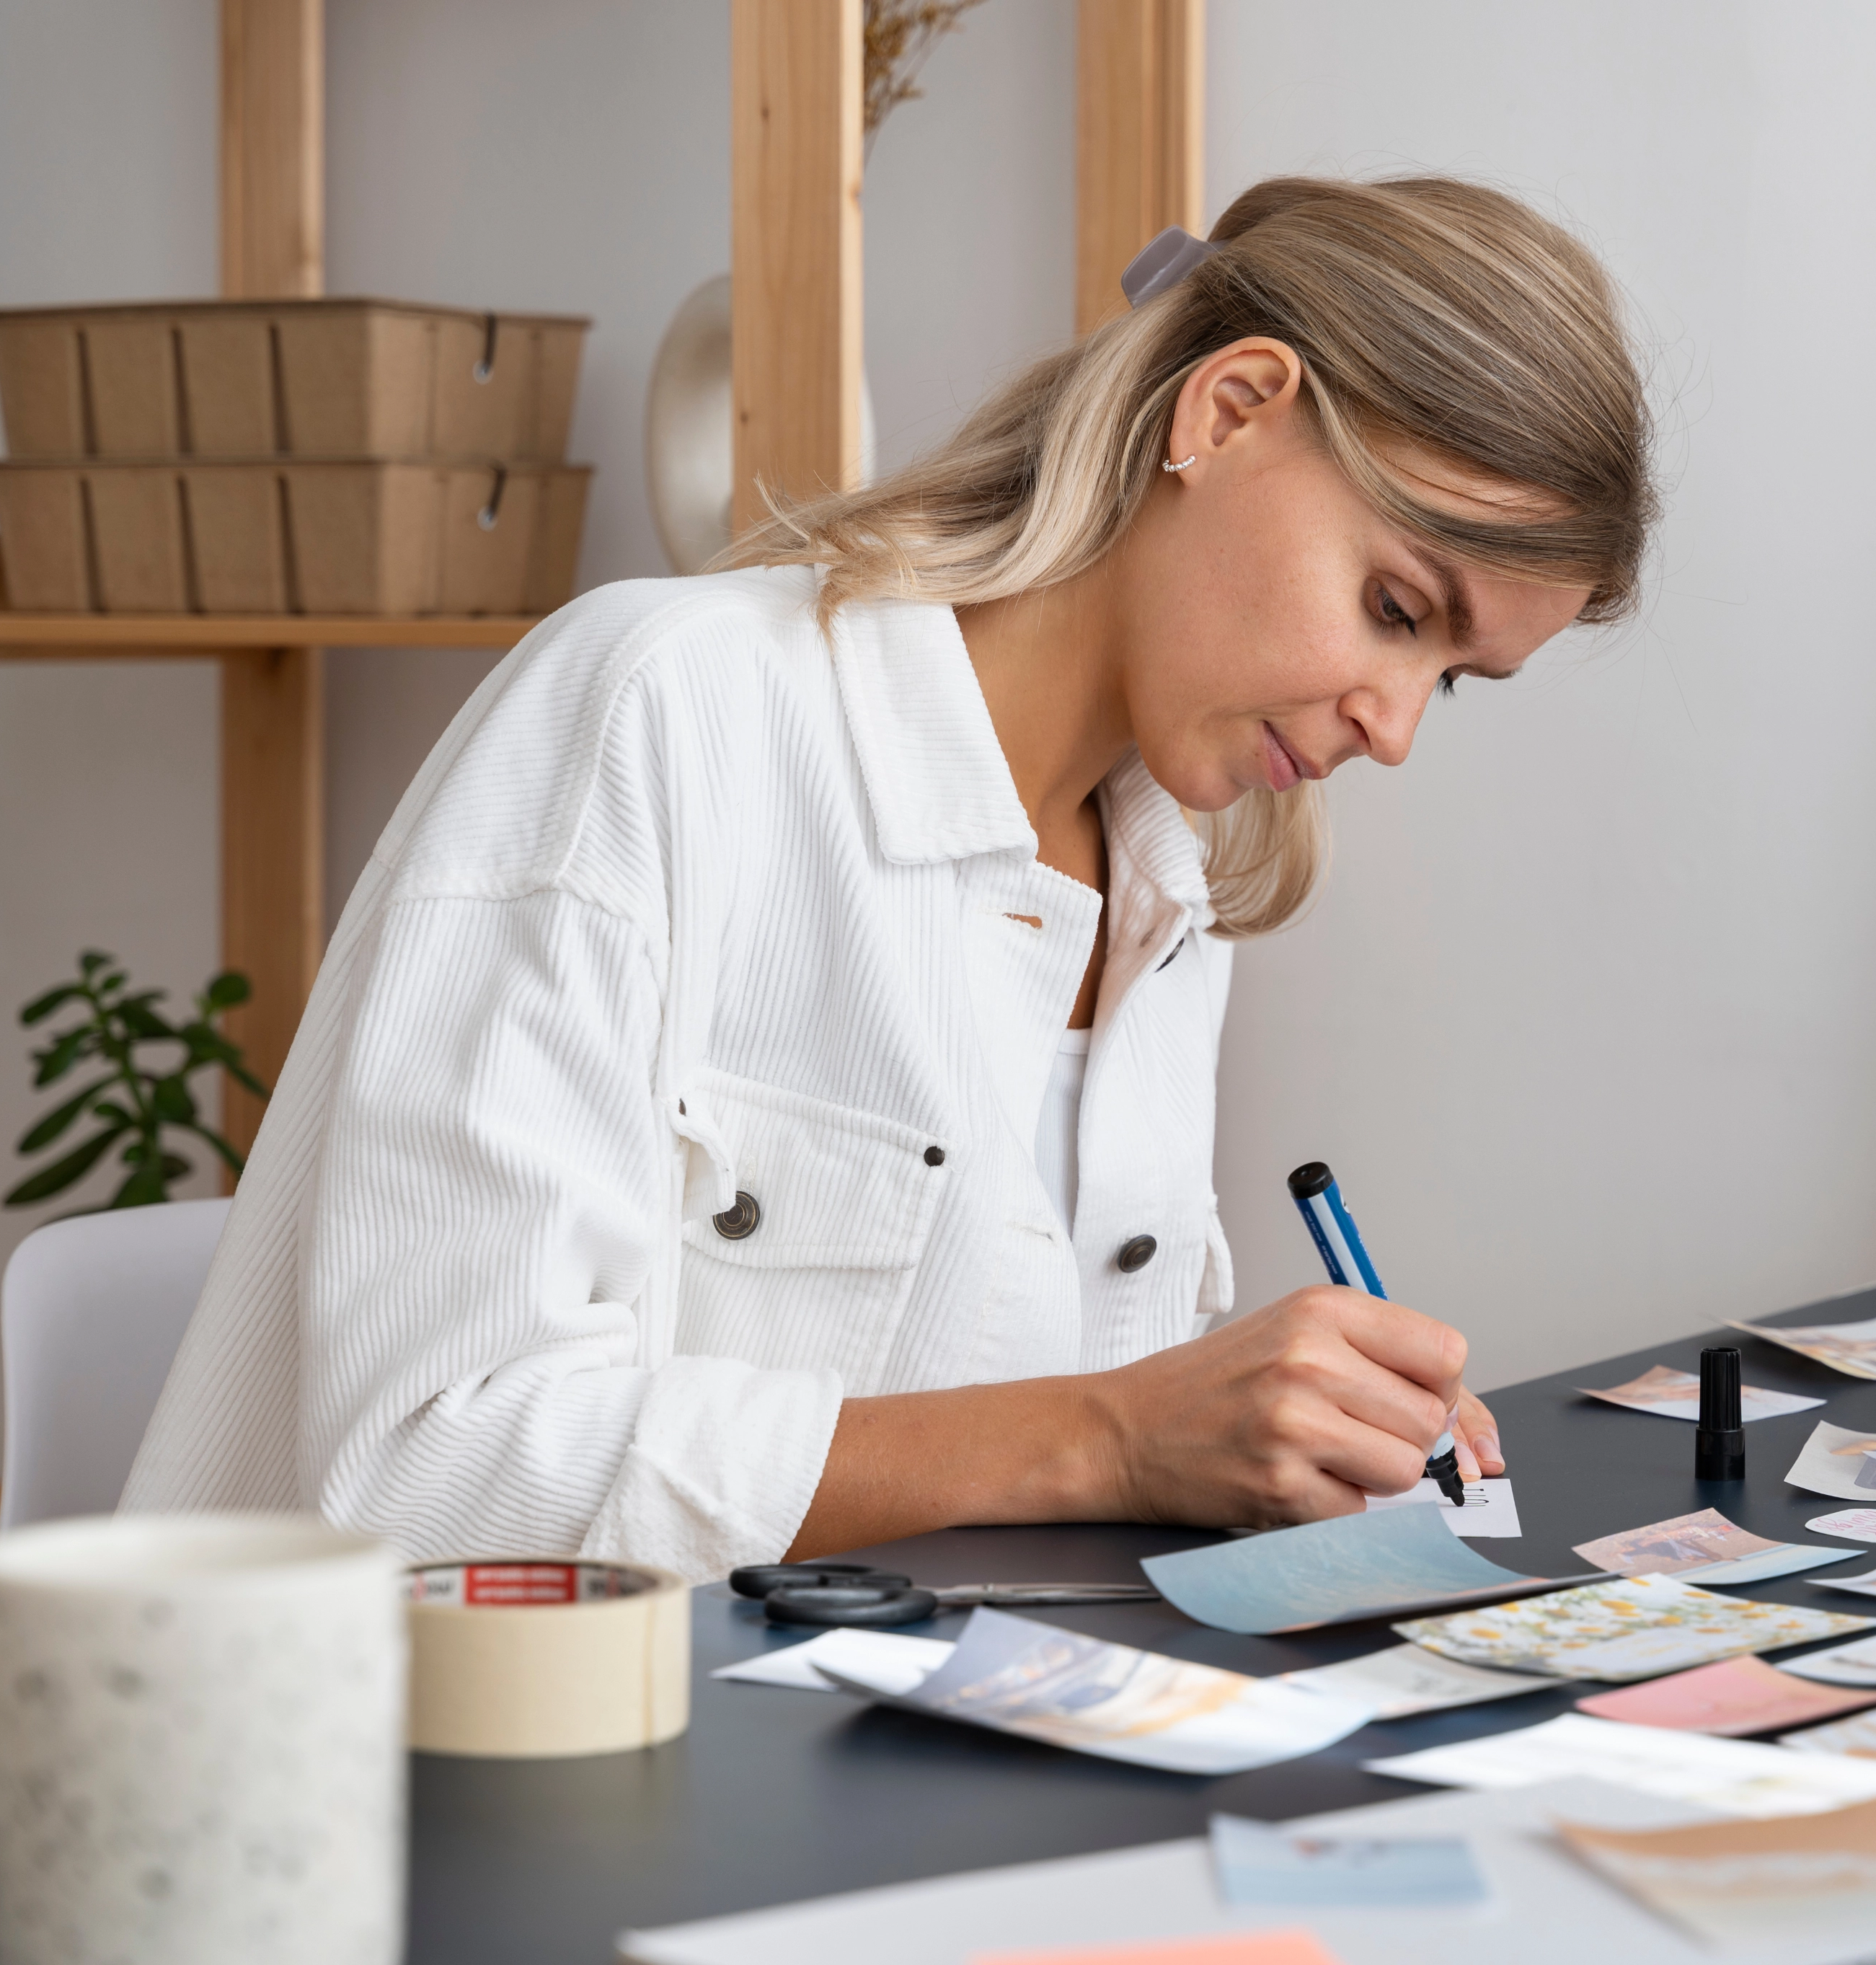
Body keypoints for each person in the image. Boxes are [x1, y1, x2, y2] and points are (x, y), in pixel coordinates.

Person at [123, 176, 1658, 1580]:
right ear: (1230, 410)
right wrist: (1112, 1432)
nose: (1392, 731)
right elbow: (424, 1467)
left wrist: (1273, 1431)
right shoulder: (662, 715)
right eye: (1397, 609)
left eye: (1452, 678)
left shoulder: (1169, 896)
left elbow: (1061, 1474)